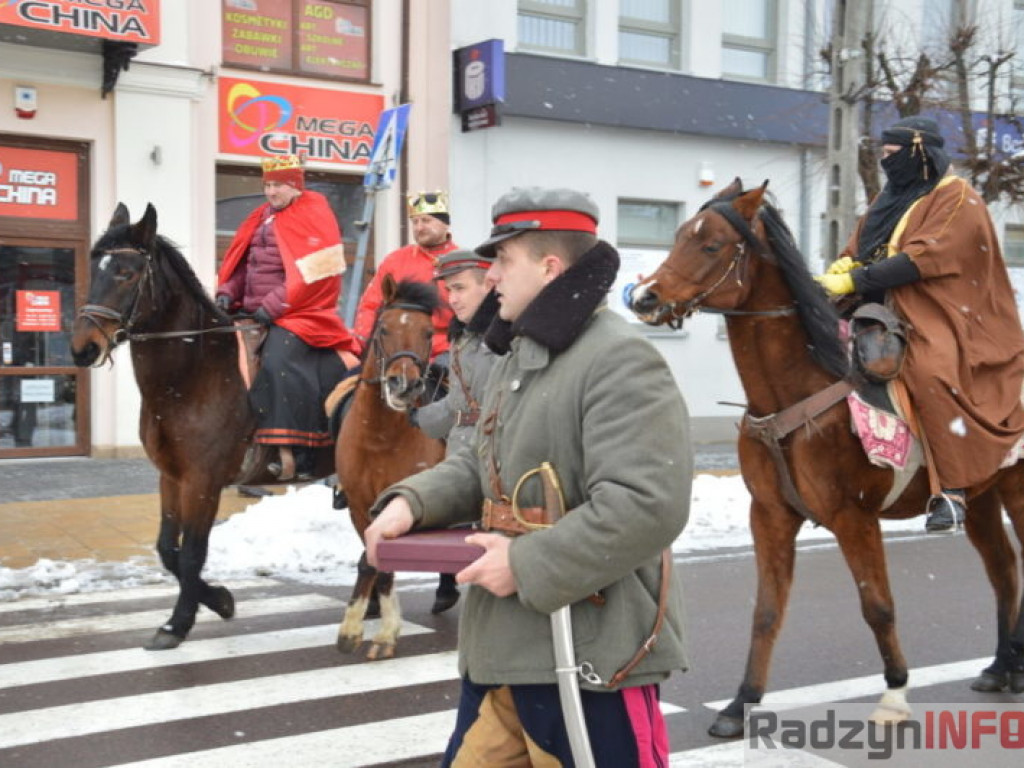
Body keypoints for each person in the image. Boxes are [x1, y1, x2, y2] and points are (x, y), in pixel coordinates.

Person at [365, 187, 692, 766]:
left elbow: (647, 503)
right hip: (506, 650)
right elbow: (483, 459)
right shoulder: (519, 354)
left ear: (550, 268)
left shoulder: (618, 357)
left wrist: (524, 563)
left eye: (503, 260)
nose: (490, 276)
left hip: (589, 651)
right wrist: (414, 501)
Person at [816, 116, 1024, 533]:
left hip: (941, 313)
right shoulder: (888, 198)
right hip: (875, 308)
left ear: (920, 154)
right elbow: (864, 244)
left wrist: (855, 279)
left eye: (893, 155)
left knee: (930, 371)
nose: (886, 163)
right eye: (882, 155)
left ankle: (951, 490)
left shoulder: (958, 198)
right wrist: (846, 263)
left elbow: (921, 258)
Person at [216, 155, 359, 481]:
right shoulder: (260, 216)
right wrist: (227, 291)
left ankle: (299, 449)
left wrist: (274, 305)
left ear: (295, 185)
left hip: (301, 313)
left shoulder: (314, 211)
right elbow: (244, 264)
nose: (271, 192)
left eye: (278, 185)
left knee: (278, 361)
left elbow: (318, 273)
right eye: (267, 184)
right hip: (254, 312)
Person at [408, 249, 500, 614]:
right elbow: (456, 405)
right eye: (449, 290)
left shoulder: (503, 336)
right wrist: (417, 418)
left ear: (488, 285)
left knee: (493, 563)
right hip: (461, 453)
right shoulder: (463, 337)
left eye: (460, 288)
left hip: (492, 458)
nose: (452, 299)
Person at [352, 190, 460, 375]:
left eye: (426, 220)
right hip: (395, 351)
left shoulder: (463, 262)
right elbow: (370, 306)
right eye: (415, 222)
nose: (419, 227)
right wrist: (364, 344)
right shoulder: (395, 260)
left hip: (446, 352)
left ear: (445, 224)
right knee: (349, 384)